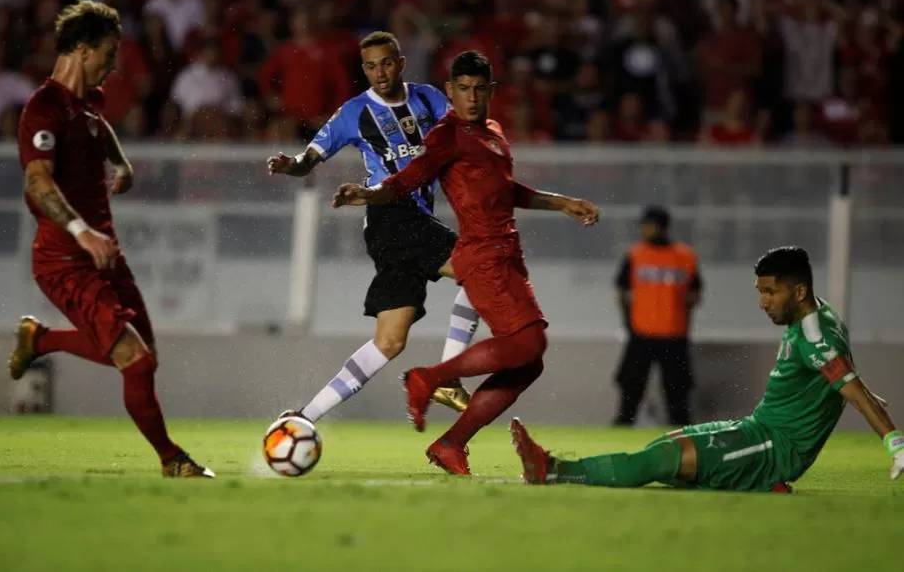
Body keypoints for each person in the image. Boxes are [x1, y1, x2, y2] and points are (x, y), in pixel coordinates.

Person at [331, 51, 601, 475]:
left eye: (479, 89)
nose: (471, 98)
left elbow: (507, 190)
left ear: (491, 92)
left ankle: (451, 443)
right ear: (450, 93)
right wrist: (369, 194)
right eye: (463, 90)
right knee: (529, 343)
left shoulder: (493, 132)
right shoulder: (446, 135)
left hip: (508, 253)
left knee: (529, 362)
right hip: (481, 255)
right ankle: (429, 378)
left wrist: (560, 202)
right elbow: (409, 178)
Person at [8, 0, 213, 479]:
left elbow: (100, 133)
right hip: (64, 259)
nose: (114, 64)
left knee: (146, 357)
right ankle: (172, 459)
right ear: (81, 50)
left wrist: (121, 163)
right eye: (108, 53)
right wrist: (81, 231)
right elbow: (37, 183)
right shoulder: (43, 109)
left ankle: (40, 339)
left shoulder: (89, 105)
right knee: (134, 360)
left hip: (105, 256)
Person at [510, 246, 904, 491]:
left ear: (798, 291)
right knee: (665, 446)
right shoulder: (820, 317)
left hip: (773, 450)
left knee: (664, 460)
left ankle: (554, 470)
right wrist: (853, 391)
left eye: (771, 292)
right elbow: (846, 382)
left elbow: (852, 390)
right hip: (759, 430)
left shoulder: (816, 337)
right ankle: (746, 484)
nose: (763, 302)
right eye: (760, 292)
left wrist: (894, 443)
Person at [267, 32, 478, 423]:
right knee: (480, 269)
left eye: (385, 63)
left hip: (410, 223)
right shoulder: (353, 113)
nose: (378, 73)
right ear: (362, 69)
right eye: (369, 66)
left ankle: (303, 416)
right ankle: (449, 377)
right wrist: (290, 164)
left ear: (400, 63)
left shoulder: (429, 98)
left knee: (389, 342)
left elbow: (464, 134)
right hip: (390, 217)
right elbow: (310, 157)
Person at [614, 205, 701, 427]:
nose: (644, 230)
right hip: (643, 332)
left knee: (677, 394)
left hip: (673, 334)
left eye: (648, 225)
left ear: (660, 227)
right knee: (631, 390)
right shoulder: (635, 254)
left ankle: (681, 434)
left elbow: (695, 292)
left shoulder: (685, 256)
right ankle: (623, 428)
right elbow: (622, 290)